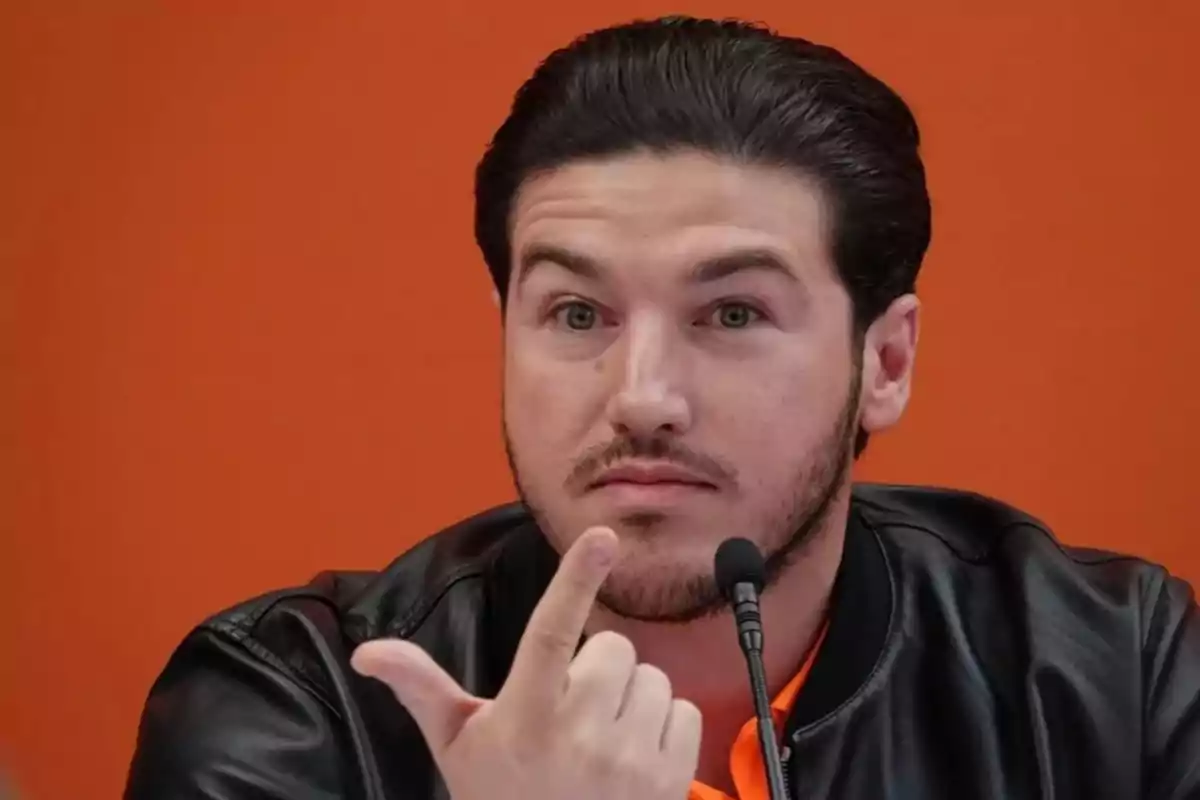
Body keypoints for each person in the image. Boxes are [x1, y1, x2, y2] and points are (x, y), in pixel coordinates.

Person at [124, 15, 1200, 800]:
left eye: (732, 313)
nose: (642, 396)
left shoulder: (1112, 673)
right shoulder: (291, 711)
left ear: (885, 358)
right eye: (578, 311)